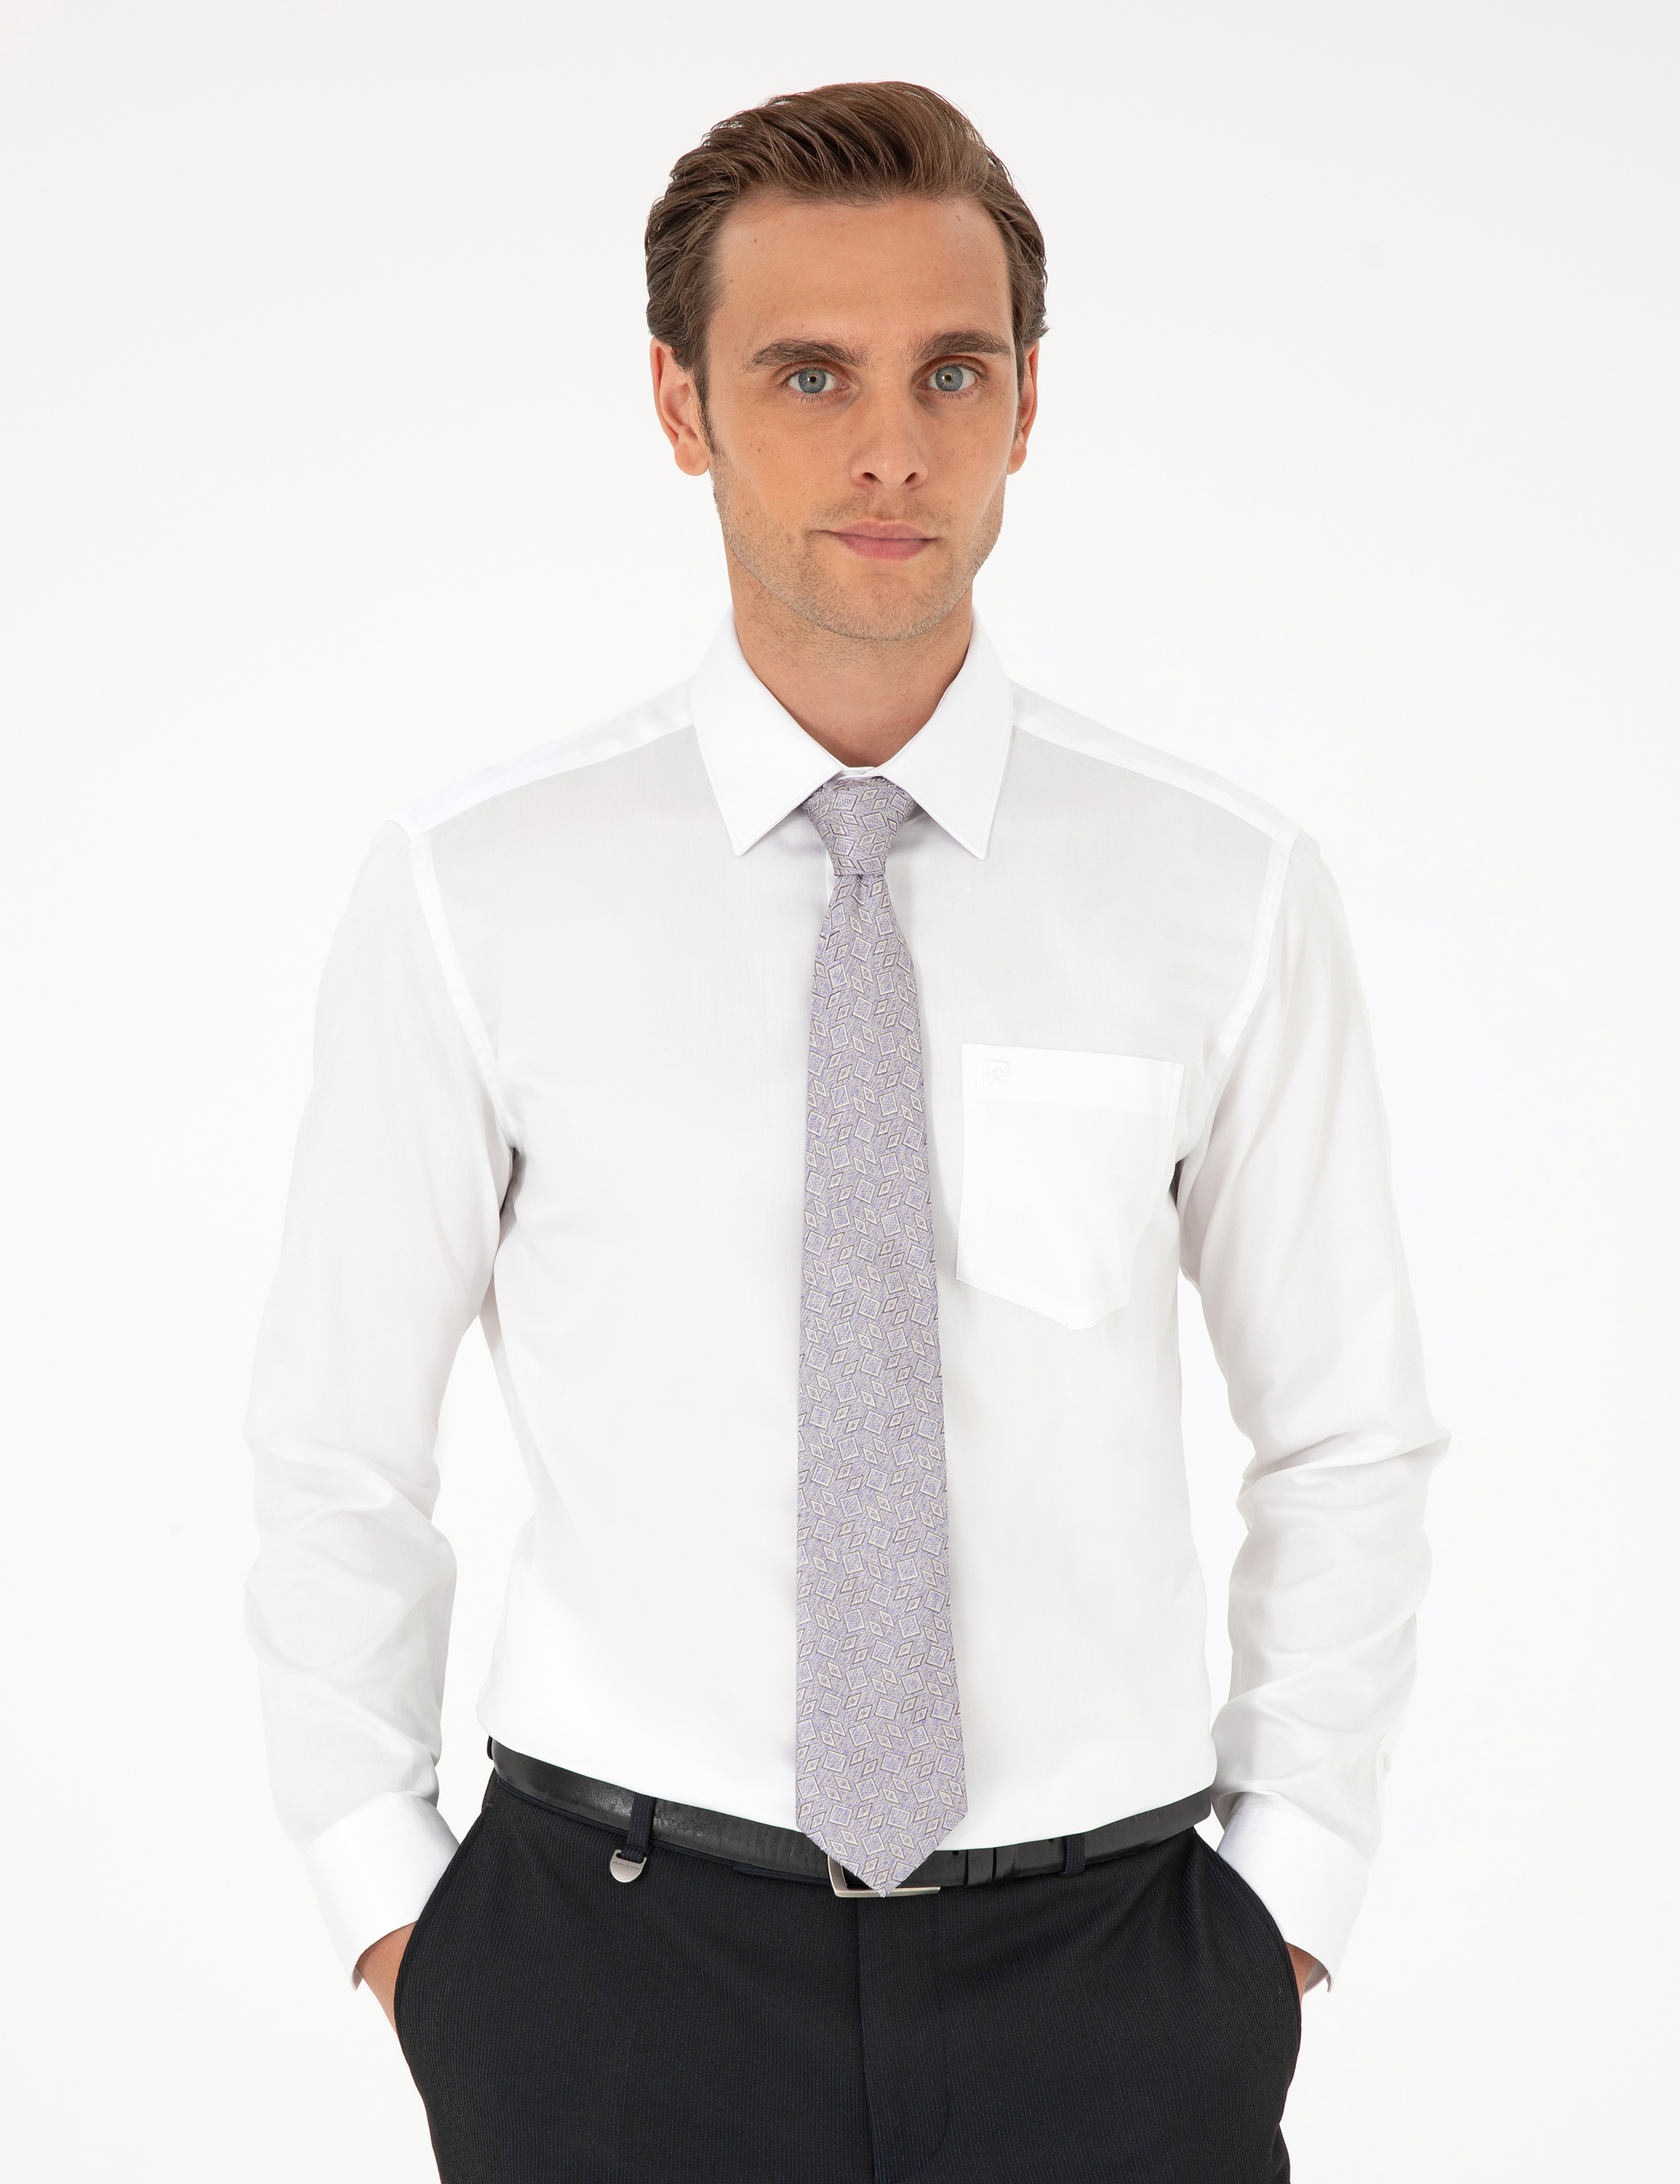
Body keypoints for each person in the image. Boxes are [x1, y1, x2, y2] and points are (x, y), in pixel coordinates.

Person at [245, 80, 1446, 2182]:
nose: (891, 445)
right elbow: (336, 1441)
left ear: (1026, 404)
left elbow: (1346, 1429)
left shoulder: (1220, 889)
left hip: (1114, 1975)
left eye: (949, 372)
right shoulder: (474, 890)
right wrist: (399, 1917)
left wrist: (1284, 1906)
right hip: (605, 1974)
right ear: (680, 404)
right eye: (809, 374)